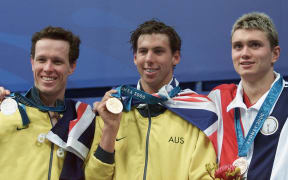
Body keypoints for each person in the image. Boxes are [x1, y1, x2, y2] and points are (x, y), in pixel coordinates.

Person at [85, 19, 218, 179]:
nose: (149, 58)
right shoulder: (115, 109)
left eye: (158, 51)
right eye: (143, 51)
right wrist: (110, 129)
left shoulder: (198, 113)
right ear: (135, 58)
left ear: (175, 57)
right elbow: (94, 177)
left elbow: (204, 176)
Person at [0, 26, 95, 180]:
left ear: (72, 66)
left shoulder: (85, 119)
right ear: (32, 62)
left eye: (57, 61)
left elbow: (98, 175)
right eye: (41, 60)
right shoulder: (3, 112)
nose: (48, 68)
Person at [208, 12, 287, 179]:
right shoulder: (218, 98)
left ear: (275, 54)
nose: (244, 53)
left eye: (255, 45)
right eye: (238, 46)